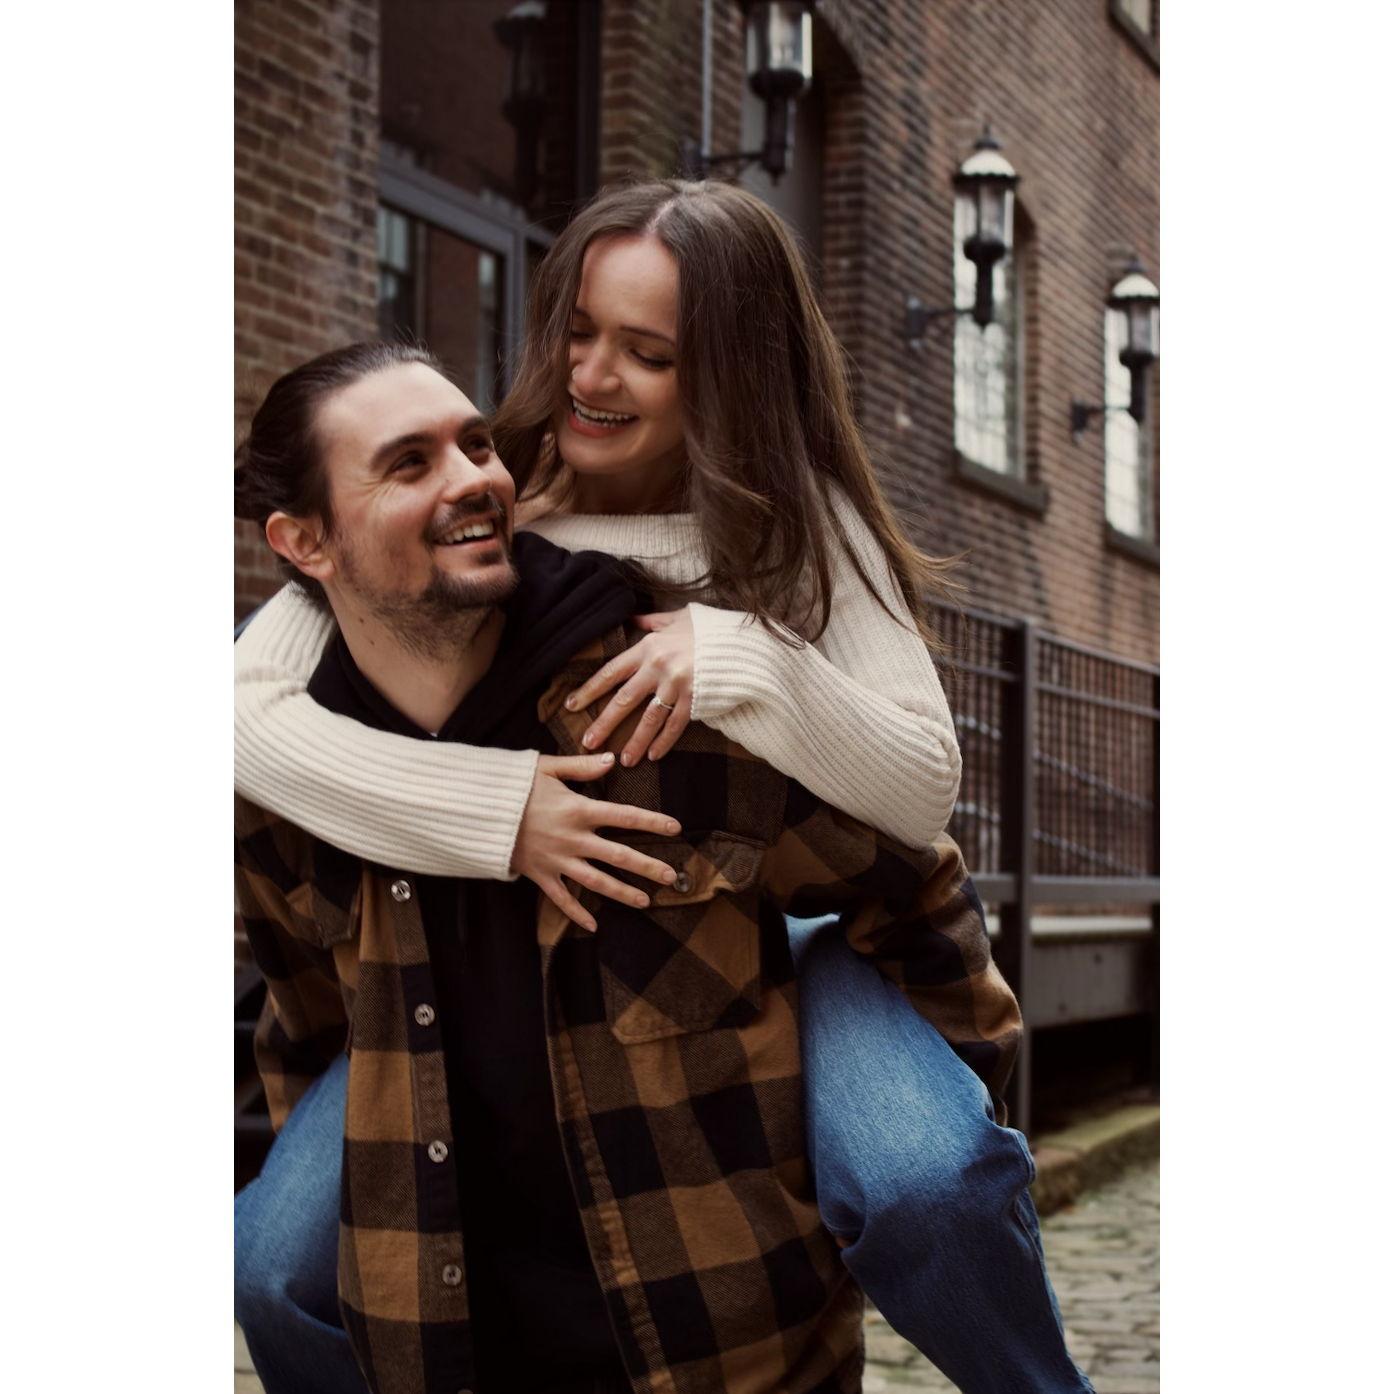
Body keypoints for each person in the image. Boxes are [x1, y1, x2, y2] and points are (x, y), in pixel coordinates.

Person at [235, 180, 1093, 1393]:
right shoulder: (490, 488)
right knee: (271, 1265)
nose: (590, 376)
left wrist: (745, 655)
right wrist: (500, 812)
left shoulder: (798, 526)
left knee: (923, 1182)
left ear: (728, 377)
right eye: (578, 331)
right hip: (583, 920)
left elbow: (918, 793)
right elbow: (241, 715)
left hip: (799, 923)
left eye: (647, 353)